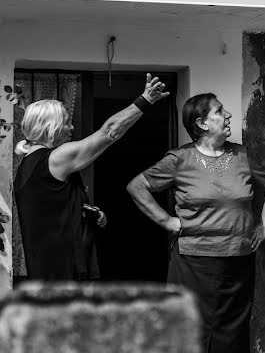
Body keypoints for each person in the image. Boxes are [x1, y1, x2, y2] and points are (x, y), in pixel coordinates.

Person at [127, 94, 265, 353]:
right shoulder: (179, 159)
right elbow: (137, 186)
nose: (228, 116)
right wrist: (166, 221)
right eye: (220, 112)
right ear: (202, 123)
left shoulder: (241, 155)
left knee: (233, 335)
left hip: (238, 262)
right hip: (193, 263)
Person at [14, 74, 170, 280]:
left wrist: (86, 211)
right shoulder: (56, 158)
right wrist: (145, 100)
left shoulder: (28, 163)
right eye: (67, 122)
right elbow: (110, 133)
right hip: (63, 275)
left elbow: (50, 208)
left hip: (47, 273)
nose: (71, 128)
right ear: (50, 128)